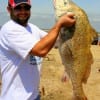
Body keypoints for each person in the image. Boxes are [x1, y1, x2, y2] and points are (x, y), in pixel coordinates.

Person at [0, 0, 75, 100]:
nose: (23, 11)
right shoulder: (10, 29)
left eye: (26, 8)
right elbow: (41, 51)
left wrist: (72, 30)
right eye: (18, 8)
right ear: (9, 9)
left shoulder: (32, 28)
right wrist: (59, 24)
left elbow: (55, 40)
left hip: (34, 96)